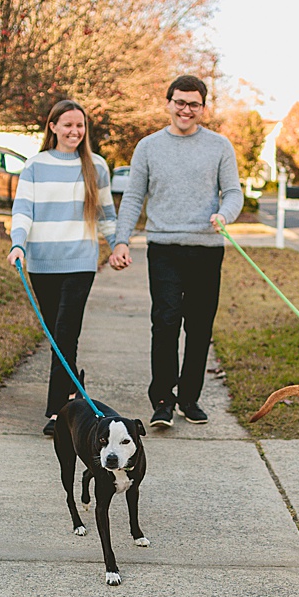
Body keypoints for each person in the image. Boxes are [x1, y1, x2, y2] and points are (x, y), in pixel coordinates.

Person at [107, 75, 242, 427]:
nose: (186, 109)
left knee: (199, 327)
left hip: (206, 248)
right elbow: (134, 197)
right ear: (168, 103)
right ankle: (163, 400)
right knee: (165, 322)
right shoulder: (148, 147)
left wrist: (224, 215)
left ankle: (190, 397)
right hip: (163, 247)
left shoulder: (219, 146)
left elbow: (233, 192)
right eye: (179, 102)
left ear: (203, 108)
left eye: (193, 104)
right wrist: (121, 240)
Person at [8, 100, 116, 436]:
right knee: (58, 335)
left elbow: (107, 215)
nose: (74, 131)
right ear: (52, 126)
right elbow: (23, 209)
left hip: (81, 261)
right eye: (67, 125)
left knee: (66, 332)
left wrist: (117, 246)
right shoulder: (35, 166)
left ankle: (58, 411)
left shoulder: (95, 166)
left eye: (80, 126)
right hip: (42, 262)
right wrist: (18, 244)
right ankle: (73, 388)